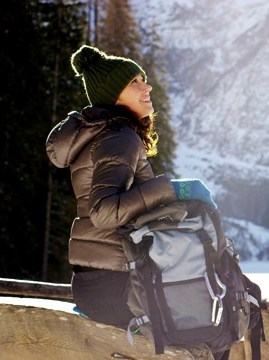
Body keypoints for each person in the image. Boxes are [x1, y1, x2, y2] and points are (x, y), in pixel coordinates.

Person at [46, 45, 222, 357]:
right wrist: (175, 189)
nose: (147, 86)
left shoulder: (100, 134)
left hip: (92, 284)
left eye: (143, 79)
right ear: (115, 95)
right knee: (214, 333)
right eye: (134, 82)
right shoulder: (120, 136)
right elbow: (104, 211)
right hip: (118, 286)